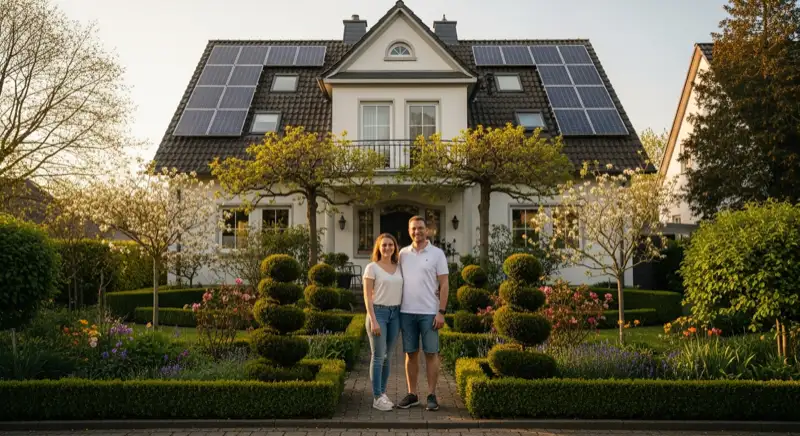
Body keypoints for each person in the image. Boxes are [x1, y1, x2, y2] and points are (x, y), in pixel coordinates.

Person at [396, 216, 449, 411]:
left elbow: (444, 285)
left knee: (431, 353)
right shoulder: (402, 254)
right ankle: (412, 394)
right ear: (409, 231)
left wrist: (441, 312)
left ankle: (432, 395)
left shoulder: (437, 254)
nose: (417, 232)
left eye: (420, 228)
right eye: (413, 229)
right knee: (410, 354)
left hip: (429, 313)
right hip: (407, 312)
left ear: (427, 231)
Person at [362, 233, 404, 411]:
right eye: (384, 245)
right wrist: (373, 319)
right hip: (378, 313)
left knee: (388, 357)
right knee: (378, 356)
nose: (387, 248)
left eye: (391, 245)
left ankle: (383, 392)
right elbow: (367, 296)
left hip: (396, 314)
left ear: (395, 247)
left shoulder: (399, 267)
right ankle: (377, 397)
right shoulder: (372, 268)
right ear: (378, 248)